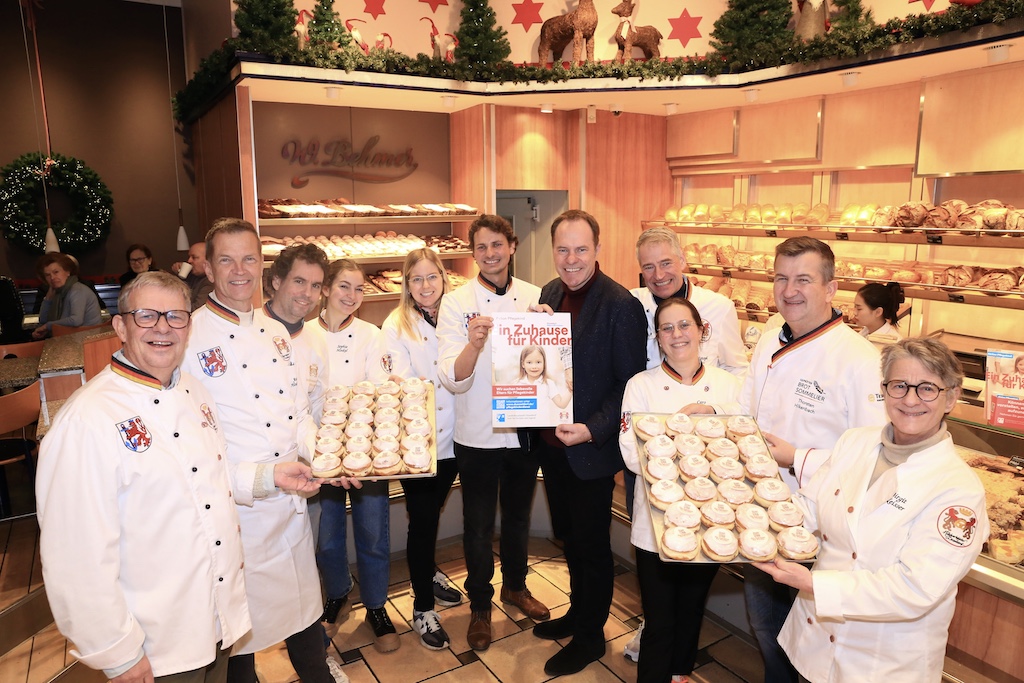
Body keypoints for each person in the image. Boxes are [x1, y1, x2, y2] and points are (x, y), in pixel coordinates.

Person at [36, 271, 258, 683]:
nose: (163, 327)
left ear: (188, 327)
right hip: (154, 648)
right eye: (146, 316)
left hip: (214, 621)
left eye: (176, 316)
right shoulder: (87, 419)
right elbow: (75, 557)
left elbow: (210, 484)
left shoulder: (194, 391)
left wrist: (270, 478)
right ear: (120, 326)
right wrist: (117, 653)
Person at [756, 337, 990, 682]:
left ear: (951, 396)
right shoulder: (855, 442)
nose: (910, 400)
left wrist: (814, 583)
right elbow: (807, 507)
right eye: (899, 386)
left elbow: (915, 588)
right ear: (884, 390)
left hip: (883, 663)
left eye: (927, 388)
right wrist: (752, 525)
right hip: (813, 644)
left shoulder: (959, 490)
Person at [181, 218, 341, 683]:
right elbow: (194, 442)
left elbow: (299, 416)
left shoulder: (275, 333)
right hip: (238, 511)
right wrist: (263, 477)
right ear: (208, 268)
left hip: (288, 508)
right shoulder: (188, 337)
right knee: (241, 632)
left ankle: (317, 675)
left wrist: (326, 458)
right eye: (226, 259)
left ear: (261, 266)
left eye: (248, 258)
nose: (239, 270)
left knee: (304, 606)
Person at [740, 236, 887, 683]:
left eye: (803, 279)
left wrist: (796, 456)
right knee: (765, 626)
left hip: (819, 527)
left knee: (811, 642)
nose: (790, 290)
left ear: (831, 288)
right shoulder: (767, 342)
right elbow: (746, 415)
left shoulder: (860, 360)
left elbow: (872, 459)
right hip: (762, 513)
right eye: (781, 278)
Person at [531, 209, 647, 677]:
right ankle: (578, 614)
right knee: (570, 541)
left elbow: (628, 385)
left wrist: (593, 429)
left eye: (581, 249)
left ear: (598, 249)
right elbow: (535, 362)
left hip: (590, 451)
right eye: (563, 249)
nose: (571, 259)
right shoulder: (548, 293)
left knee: (593, 547)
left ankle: (590, 637)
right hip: (552, 447)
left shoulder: (621, 305)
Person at [436, 214, 553, 652]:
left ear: (512, 246)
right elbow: (452, 377)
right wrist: (473, 343)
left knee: (519, 516)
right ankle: (480, 605)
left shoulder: (536, 296)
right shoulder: (456, 302)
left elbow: (552, 366)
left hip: (524, 431)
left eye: (497, 245)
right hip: (478, 433)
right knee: (478, 524)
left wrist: (547, 328)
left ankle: (516, 587)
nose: (490, 254)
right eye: (482, 247)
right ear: (473, 254)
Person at [619, 297, 742, 683]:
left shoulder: (730, 386)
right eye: (667, 328)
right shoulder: (641, 385)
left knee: (691, 613)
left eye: (684, 325)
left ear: (702, 329)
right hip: (654, 528)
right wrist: (682, 427)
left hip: (710, 522)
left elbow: (742, 450)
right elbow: (631, 455)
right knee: (659, 621)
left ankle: (681, 675)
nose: (677, 335)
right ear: (657, 338)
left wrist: (711, 415)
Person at [310, 258, 400, 653]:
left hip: (366, 453)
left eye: (359, 289)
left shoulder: (370, 334)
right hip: (320, 453)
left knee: (372, 533)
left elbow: (378, 387)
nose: (352, 296)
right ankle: (337, 592)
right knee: (326, 539)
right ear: (326, 288)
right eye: (344, 287)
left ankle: (377, 607)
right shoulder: (302, 334)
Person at [381, 248, 464, 651]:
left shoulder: (457, 313)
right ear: (406, 284)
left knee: (432, 513)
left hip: (459, 437)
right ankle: (422, 608)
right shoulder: (395, 324)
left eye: (432, 277)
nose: (426, 286)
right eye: (416, 279)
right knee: (424, 520)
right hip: (421, 443)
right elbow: (398, 381)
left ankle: (428, 571)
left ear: (444, 278)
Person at [632, 227, 748, 375]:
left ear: (682, 261)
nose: (659, 275)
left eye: (666, 263)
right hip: (646, 397)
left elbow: (737, 369)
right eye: (649, 267)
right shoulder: (631, 304)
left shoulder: (720, 308)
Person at [32, 252, 102, 339]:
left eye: (56, 272)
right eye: (47, 275)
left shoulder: (77, 290)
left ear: (68, 272)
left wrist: (48, 326)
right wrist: (48, 298)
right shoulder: (60, 292)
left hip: (87, 342)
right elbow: (43, 320)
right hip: (72, 339)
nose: (52, 277)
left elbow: (76, 320)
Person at [515, 346, 572, 424]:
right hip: (522, 428)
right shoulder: (516, 384)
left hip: (543, 428)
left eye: (538, 362)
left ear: (544, 363)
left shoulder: (548, 383)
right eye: (529, 362)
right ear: (523, 364)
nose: (534, 366)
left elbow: (562, 404)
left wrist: (571, 387)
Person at [173, 241, 215, 310]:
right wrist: (180, 274)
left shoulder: (210, 282)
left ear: (209, 260)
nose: (189, 260)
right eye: (189, 257)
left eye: (194, 257)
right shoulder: (194, 276)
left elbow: (197, 309)